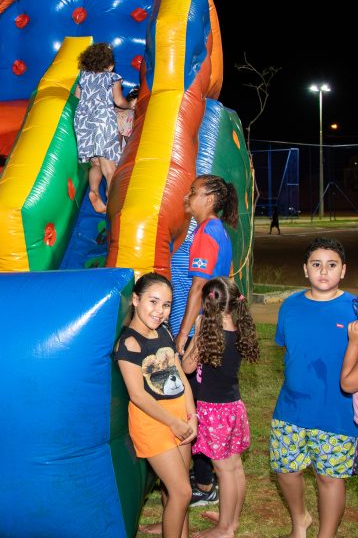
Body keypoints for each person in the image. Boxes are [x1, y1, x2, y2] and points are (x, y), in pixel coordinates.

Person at [270, 237, 358, 538]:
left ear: (343, 270)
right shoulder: (290, 306)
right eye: (316, 264)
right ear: (305, 270)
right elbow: (288, 350)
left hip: (337, 411)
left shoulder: (356, 309)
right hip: (291, 407)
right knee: (285, 468)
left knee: (329, 478)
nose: (324, 271)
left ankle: (326, 533)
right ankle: (300, 519)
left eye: (332, 265)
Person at [114, 273, 197, 538]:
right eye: (153, 302)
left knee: (177, 489)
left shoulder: (163, 331)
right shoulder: (129, 343)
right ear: (136, 300)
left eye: (166, 305)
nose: (159, 311)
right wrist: (172, 422)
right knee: (182, 491)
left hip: (179, 418)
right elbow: (138, 395)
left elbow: (180, 376)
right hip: (153, 423)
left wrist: (191, 414)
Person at [173, 174, 238, 508]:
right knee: (203, 400)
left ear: (211, 198)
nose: (188, 196)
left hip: (203, 328)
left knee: (196, 404)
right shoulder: (216, 231)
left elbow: (199, 288)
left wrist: (183, 335)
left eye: (194, 192)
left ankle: (203, 483)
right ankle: (205, 480)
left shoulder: (206, 233)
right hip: (214, 325)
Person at [181, 277, 258, 538]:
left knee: (223, 471)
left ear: (208, 303)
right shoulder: (239, 326)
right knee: (234, 467)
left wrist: (195, 331)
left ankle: (225, 529)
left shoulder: (207, 329)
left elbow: (188, 367)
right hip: (233, 407)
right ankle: (231, 520)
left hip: (214, 411)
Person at [73, 42, 129, 213]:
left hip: (83, 122)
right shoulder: (112, 77)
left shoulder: (83, 77)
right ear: (110, 65)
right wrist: (130, 107)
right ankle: (112, 201)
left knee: (95, 163)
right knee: (110, 167)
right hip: (103, 121)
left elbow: (77, 98)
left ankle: (94, 191)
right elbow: (119, 101)